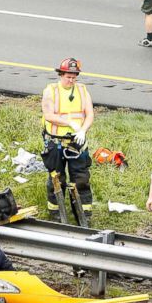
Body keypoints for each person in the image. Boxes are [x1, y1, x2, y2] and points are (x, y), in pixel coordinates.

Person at [41, 57, 95, 225]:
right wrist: (69, 123)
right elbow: (49, 115)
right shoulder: (51, 91)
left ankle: (83, 214)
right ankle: (56, 213)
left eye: (74, 77)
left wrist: (83, 130)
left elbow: (90, 114)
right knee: (57, 178)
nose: (71, 80)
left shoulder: (82, 90)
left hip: (76, 142)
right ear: (61, 74)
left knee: (81, 178)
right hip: (56, 142)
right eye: (68, 77)